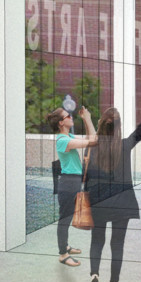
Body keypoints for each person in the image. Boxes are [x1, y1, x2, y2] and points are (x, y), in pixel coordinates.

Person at [84, 90, 141, 282]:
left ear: (102, 124)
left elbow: (86, 178)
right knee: (117, 244)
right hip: (122, 203)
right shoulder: (125, 145)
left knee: (97, 241)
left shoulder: (93, 149)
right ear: (119, 127)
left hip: (99, 202)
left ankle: (95, 277)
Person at [47, 105, 97, 266]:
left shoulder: (69, 137)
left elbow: (91, 138)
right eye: (67, 116)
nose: (70, 117)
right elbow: (94, 141)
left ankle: (65, 246)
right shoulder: (63, 141)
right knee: (65, 218)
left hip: (72, 181)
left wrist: (86, 119)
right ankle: (62, 254)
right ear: (61, 123)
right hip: (68, 183)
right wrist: (88, 119)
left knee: (67, 217)